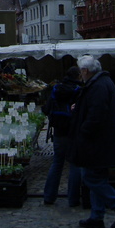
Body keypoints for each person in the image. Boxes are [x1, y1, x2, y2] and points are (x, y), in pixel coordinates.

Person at [67, 55, 115, 228]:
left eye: (81, 70)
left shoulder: (98, 86)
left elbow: (97, 114)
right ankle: (97, 217)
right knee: (97, 176)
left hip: (97, 142)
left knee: (91, 177)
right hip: (102, 141)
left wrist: (83, 132)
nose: (80, 74)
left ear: (86, 70)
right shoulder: (101, 82)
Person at [43, 66, 82, 207]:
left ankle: (49, 196)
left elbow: (47, 108)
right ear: (78, 76)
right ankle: (73, 198)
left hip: (59, 130)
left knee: (57, 162)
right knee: (75, 164)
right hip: (73, 130)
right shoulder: (79, 90)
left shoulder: (56, 88)